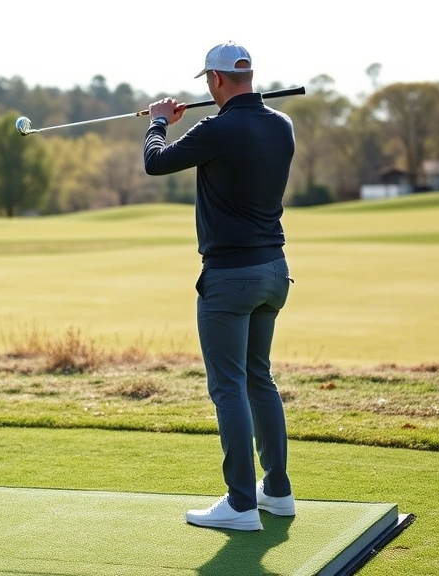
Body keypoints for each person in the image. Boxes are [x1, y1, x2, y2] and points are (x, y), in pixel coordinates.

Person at [143, 42, 297, 531]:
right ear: (248, 75)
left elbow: (156, 162)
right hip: (274, 270)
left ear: (214, 80)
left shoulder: (217, 128)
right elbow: (237, 133)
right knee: (259, 379)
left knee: (228, 388)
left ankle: (240, 504)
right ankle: (277, 492)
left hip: (230, 277)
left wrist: (159, 120)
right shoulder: (281, 125)